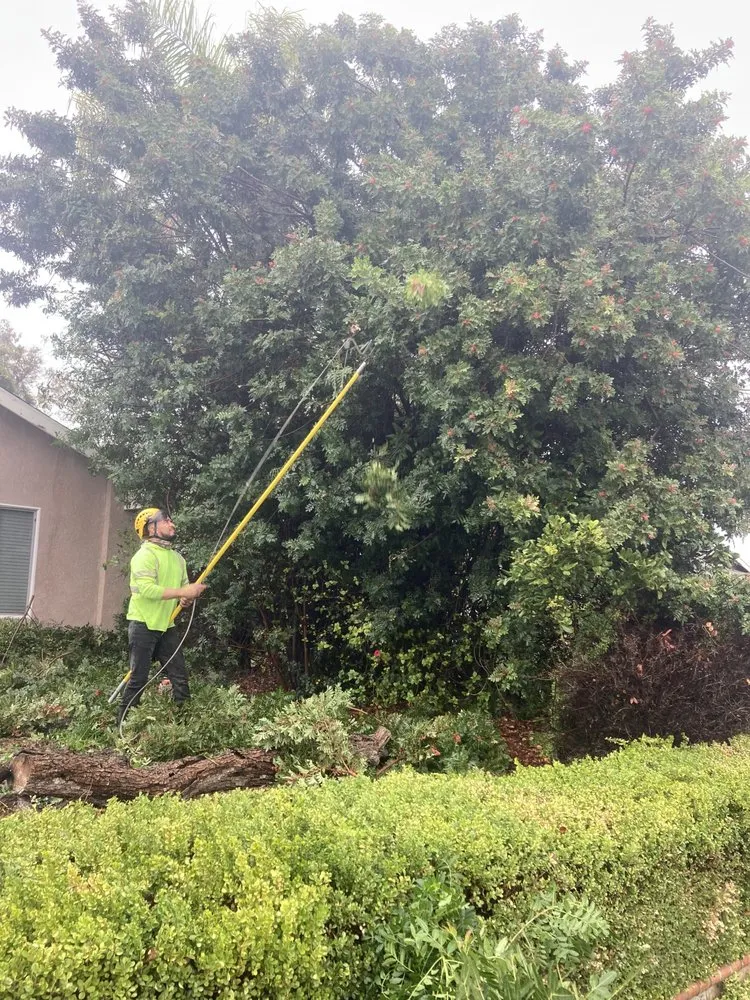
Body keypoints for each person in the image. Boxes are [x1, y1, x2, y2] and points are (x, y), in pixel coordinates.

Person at [117, 507, 207, 725]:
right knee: (138, 679)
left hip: (167, 626)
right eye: (166, 520)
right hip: (143, 625)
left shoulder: (178, 559)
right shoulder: (143, 556)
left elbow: (183, 588)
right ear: (151, 527)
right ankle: (122, 727)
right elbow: (147, 590)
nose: (172, 524)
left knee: (180, 677)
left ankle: (184, 726)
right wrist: (182, 593)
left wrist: (186, 598)